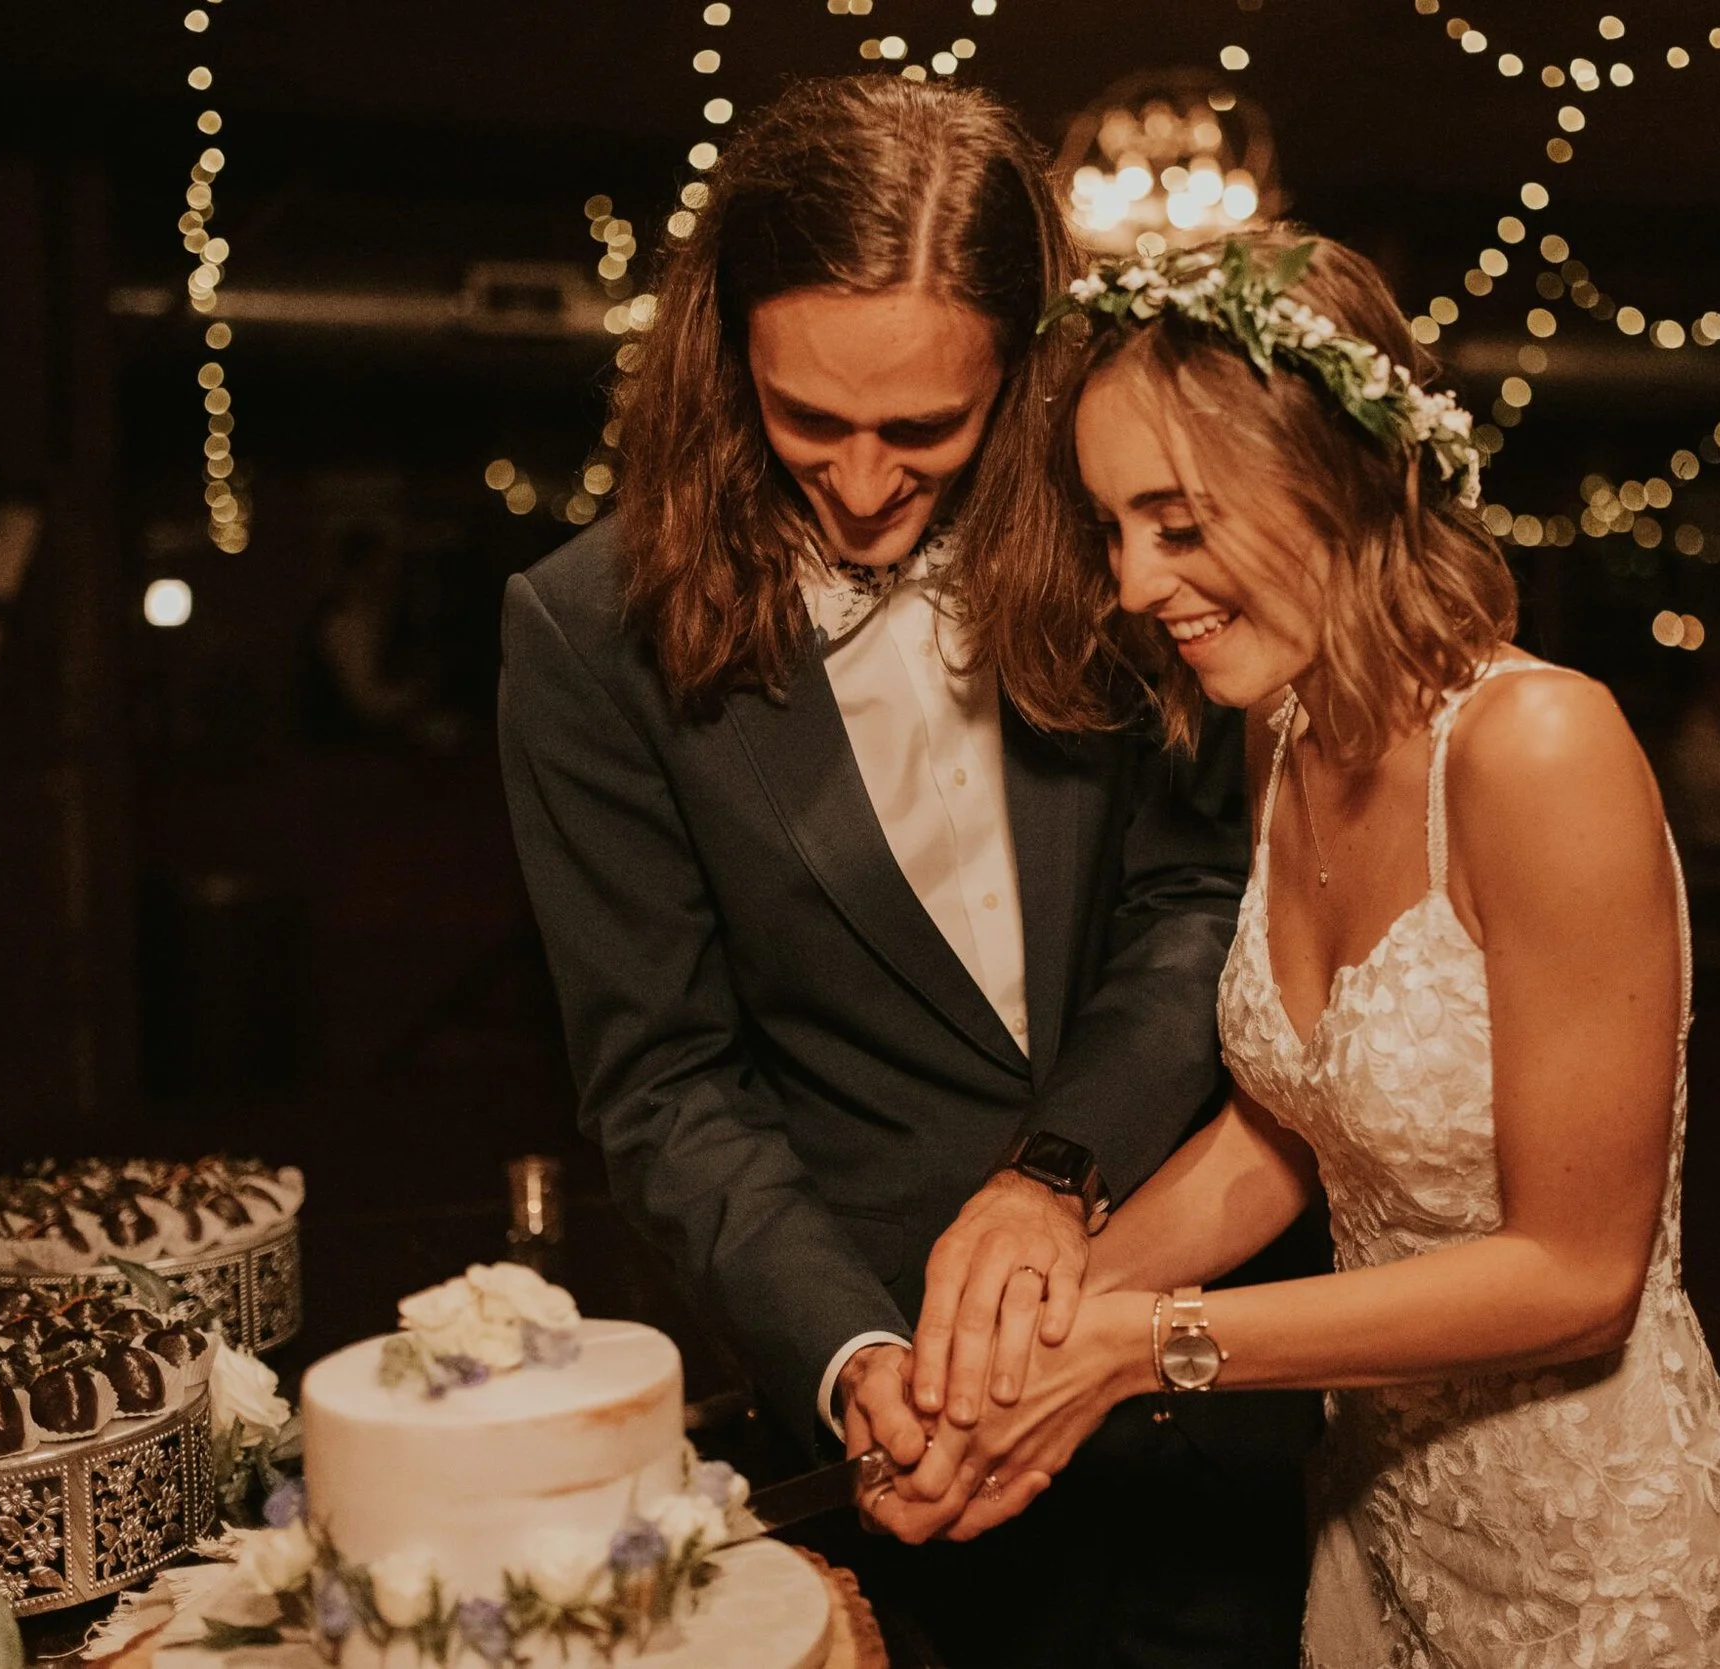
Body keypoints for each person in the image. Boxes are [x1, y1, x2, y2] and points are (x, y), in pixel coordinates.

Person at [496, 76, 1312, 1668]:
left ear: (1023, 368)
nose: (865, 486)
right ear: (724, 357)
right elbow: (667, 1080)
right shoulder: (587, 633)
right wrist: (851, 1353)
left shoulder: (1120, 542)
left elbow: (1193, 896)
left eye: (926, 429)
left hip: (1203, 1379)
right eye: (809, 419)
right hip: (905, 1432)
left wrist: (1058, 1172)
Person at [916, 232, 1720, 1668]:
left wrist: (1147, 1347)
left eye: (1176, 524)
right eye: (1114, 528)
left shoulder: (1539, 747)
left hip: (1602, 1569)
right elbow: (1294, 1134)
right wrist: (1033, 1339)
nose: (1131, 585)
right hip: (1384, 1517)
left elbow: (1578, 1276)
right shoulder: (1285, 726)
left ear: (1330, 479)